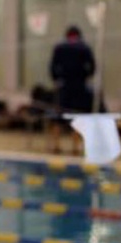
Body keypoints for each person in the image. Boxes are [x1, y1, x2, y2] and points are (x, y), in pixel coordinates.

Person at [48, 25, 96, 155]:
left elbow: (52, 66)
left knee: (58, 116)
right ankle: (75, 147)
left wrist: (57, 79)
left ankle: (56, 145)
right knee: (78, 116)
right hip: (79, 85)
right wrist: (85, 76)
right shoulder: (84, 47)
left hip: (64, 85)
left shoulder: (60, 47)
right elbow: (92, 66)